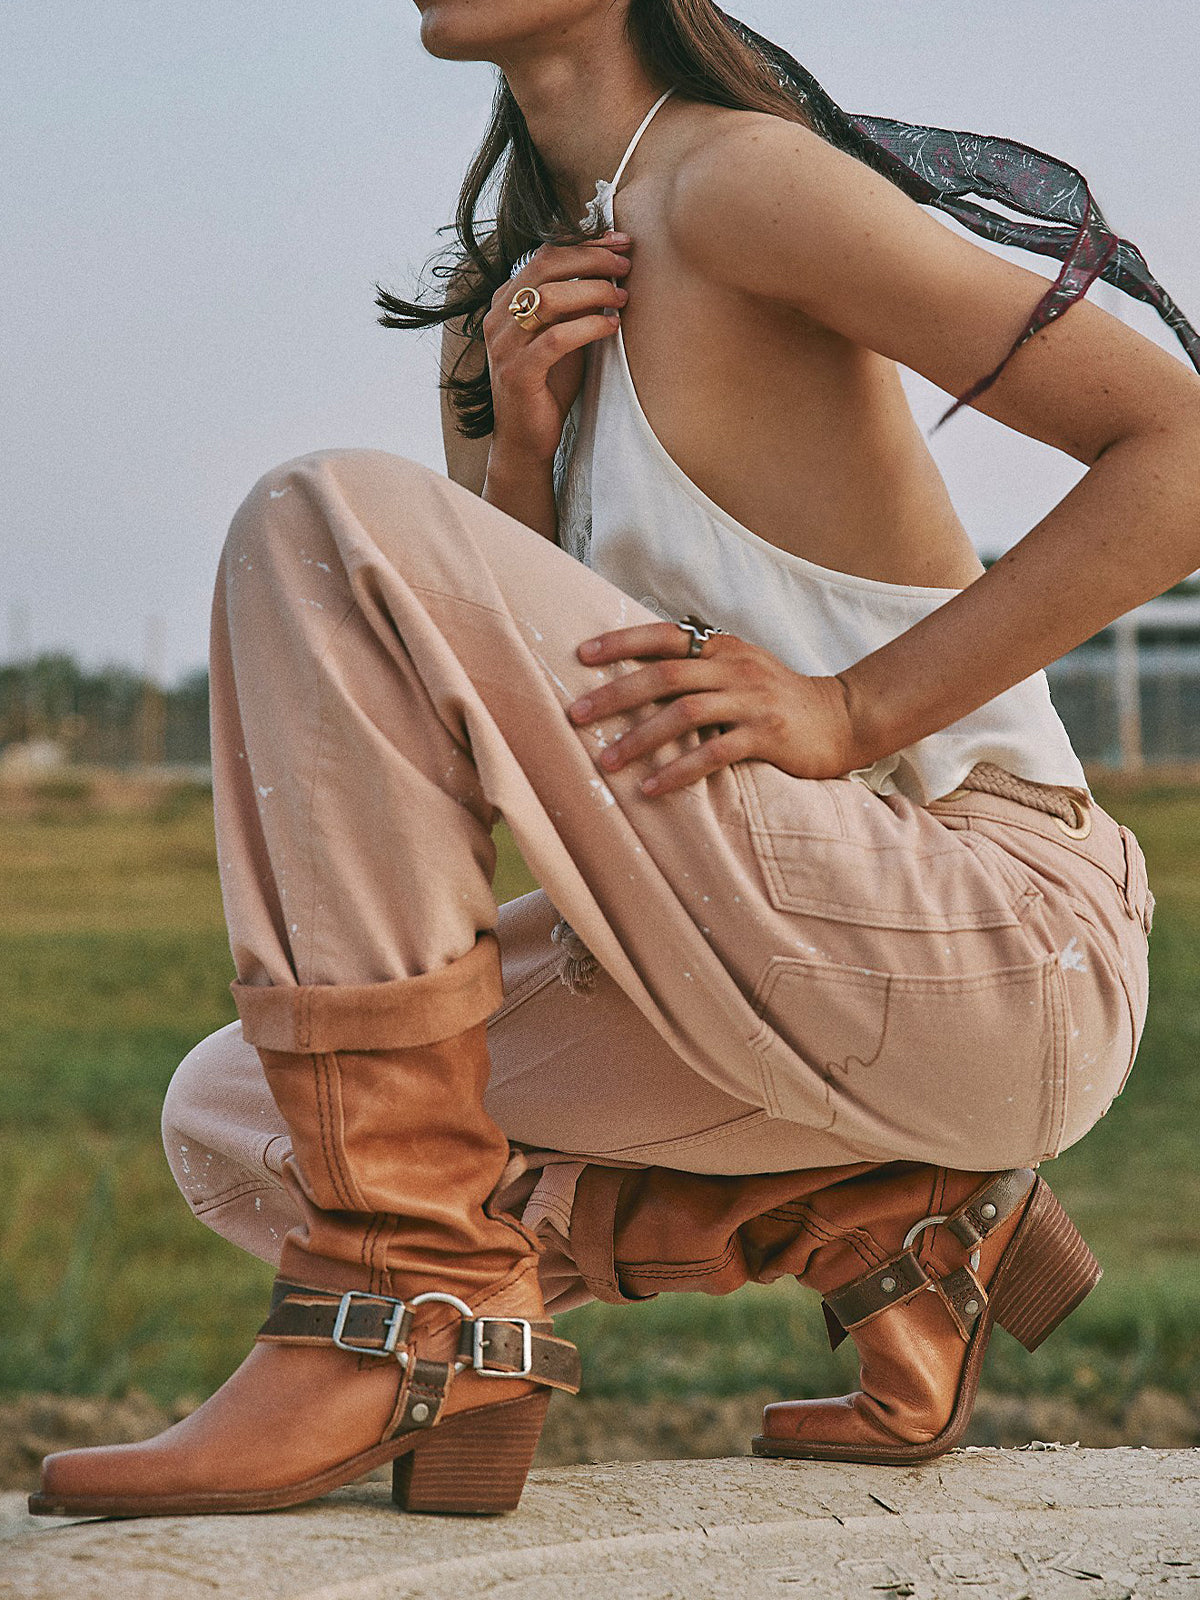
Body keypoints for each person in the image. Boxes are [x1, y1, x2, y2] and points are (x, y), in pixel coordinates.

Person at [31, 0, 1197, 1520]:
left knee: (316, 516)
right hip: (760, 966)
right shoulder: (497, 320)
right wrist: (515, 456)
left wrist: (849, 711)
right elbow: (491, 750)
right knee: (240, 1117)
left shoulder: (741, 184)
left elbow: (1175, 451)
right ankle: (878, 1224)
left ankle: (407, 1306)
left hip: (991, 930)